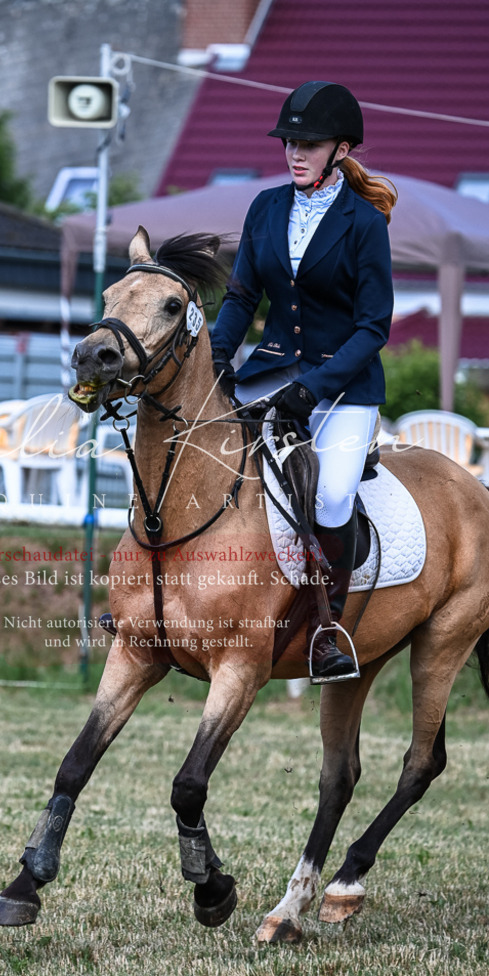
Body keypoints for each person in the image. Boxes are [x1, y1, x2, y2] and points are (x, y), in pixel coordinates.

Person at [210, 80, 397, 683]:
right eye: (289, 140)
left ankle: (326, 629)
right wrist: (216, 356)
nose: (294, 151)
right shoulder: (265, 206)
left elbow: (373, 328)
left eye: (309, 143)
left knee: (331, 495)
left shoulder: (364, 224)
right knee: (192, 455)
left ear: (341, 149)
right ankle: (155, 597)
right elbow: (241, 295)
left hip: (344, 388)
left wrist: (313, 388)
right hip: (269, 373)